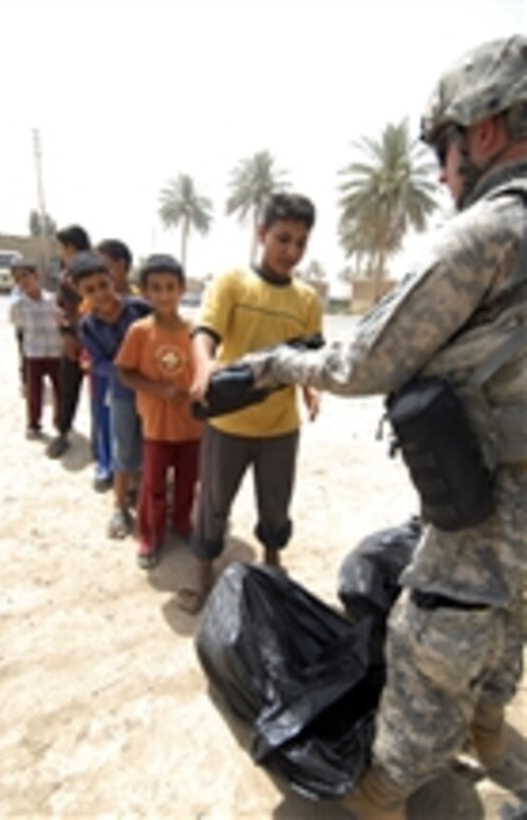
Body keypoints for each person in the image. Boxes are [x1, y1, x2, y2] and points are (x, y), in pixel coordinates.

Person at [233, 35, 527, 819]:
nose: (441, 171)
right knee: (509, 634)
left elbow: (362, 361)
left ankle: (382, 797)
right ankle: (491, 734)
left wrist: (273, 367)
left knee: (435, 648)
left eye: (445, 149)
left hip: (486, 513)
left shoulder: (490, 232)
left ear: (485, 131)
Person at [178, 192, 323, 614]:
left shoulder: (307, 299)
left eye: (300, 242)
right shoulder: (232, 283)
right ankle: (202, 567)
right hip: (229, 424)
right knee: (213, 502)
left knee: (276, 501)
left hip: (281, 426)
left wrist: (311, 388)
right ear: (261, 234)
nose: (291, 251)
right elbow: (204, 333)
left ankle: (273, 559)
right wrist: (203, 367)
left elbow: (309, 355)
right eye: (283, 239)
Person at [115, 254, 203, 569]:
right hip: (155, 426)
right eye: (156, 288)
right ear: (144, 292)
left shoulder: (196, 332)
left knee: (187, 481)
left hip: (192, 426)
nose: (164, 294)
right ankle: (150, 537)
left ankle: (181, 523)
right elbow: (125, 372)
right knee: (152, 485)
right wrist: (161, 390)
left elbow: (206, 369)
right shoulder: (140, 331)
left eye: (170, 287)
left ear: (182, 289)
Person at [69, 251, 152, 538]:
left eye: (103, 284)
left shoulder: (141, 309)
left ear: (113, 279)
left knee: (150, 446)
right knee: (123, 449)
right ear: (80, 293)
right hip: (121, 394)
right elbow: (98, 363)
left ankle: (145, 501)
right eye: (90, 290)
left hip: (153, 395)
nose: (100, 294)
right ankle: (118, 507)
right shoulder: (88, 325)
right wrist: (125, 371)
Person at [47, 224, 91, 459]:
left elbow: (63, 307)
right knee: (69, 389)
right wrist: (67, 335)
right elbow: (62, 308)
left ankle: (66, 435)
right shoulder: (70, 273)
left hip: (92, 342)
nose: (60, 252)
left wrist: (69, 335)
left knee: (78, 391)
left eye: (61, 247)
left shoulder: (81, 273)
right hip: (79, 340)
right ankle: (63, 432)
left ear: (70, 247)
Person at [9, 259, 62, 439]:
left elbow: (61, 322)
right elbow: (19, 327)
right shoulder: (18, 306)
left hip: (55, 352)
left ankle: (61, 422)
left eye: (26, 276)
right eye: (18, 279)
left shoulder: (53, 299)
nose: (23, 281)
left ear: (36, 276)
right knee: (34, 392)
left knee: (60, 390)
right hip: (34, 353)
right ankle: (34, 424)